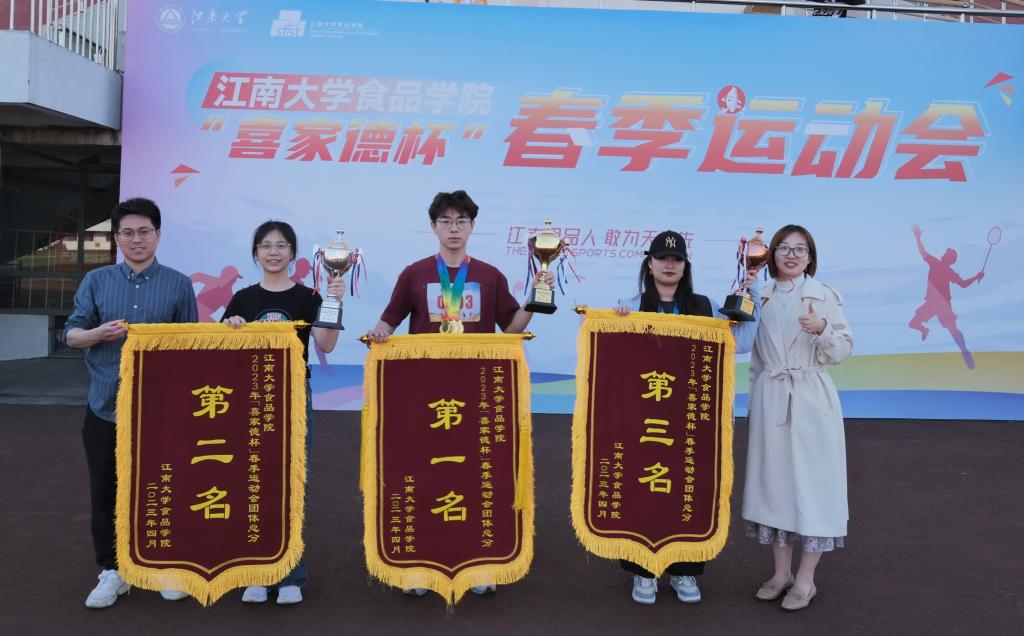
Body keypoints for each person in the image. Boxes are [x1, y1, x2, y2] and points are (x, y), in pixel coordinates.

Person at [366, 190, 553, 597]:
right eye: (446, 221)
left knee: (477, 473)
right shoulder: (414, 274)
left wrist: (537, 296)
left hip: (477, 392)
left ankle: (480, 561)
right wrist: (380, 332)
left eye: (461, 221)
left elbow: (512, 328)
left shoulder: (489, 276)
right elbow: (388, 322)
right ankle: (420, 566)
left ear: (472, 227)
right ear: (433, 227)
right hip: (424, 392)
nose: (454, 228)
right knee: (424, 472)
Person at [613, 230, 760, 606]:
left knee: (689, 490)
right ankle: (644, 570)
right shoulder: (629, 305)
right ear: (649, 263)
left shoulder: (705, 306)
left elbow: (741, 343)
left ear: (685, 266)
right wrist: (616, 325)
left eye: (676, 259)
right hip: (646, 420)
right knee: (643, 490)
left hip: (691, 419)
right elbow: (615, 360)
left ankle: (684, 570)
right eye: (662, 258)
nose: (669, 264)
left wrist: (753, 293)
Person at [65, 198, 198, 608]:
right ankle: (112, 570)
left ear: (158, 235)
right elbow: (71, 334)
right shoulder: (96, 281)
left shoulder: (178, 284)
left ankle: (164, 565)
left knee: (163, 488)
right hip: (106, 407)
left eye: (144, 232)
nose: (136, 239)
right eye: (127, 232)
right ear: (116, 238)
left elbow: (190, 345)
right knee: (105, 491)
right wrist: (97, 334)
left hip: (161, 411)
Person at [222, 220, 345, 606]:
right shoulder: (242, 299)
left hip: (293, 395)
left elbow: (326, 343)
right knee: (251, 481)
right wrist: (230, 327)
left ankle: (292, 573)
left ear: (293, 253)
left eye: (281, 245)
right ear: (255, 253)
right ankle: (257, 571)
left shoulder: (309, 297)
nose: (273, 252)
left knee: (292, 483)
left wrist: (334, 301)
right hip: (249, 398)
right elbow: (221, 355)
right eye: (265, 245)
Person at [740, 224, 853, 612]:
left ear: (810, 258)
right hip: (771, 396)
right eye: (784, 248)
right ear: (770, 254)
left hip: (811, 397)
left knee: (814, 488)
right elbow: (752, 355)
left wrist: (823, 330)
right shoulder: (760, 295)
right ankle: (780, 574)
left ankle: (806, 580)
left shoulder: (824, 295)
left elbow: (842, 350)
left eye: (800, 249)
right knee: (776, 487)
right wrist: (754, 404)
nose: (791, 255)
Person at [908, 224, 984, 369]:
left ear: (948, 258)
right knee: (916, 324)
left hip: (940, 304)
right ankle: (926, 331)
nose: (943, 253)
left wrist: (918, 238)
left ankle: (963, 350)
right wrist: (976, 277)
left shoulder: (937, 264)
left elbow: (923, 252)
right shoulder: (945, 269)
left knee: (950, 328)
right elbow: (963, 284)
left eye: (946, 252)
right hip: (935, 303)